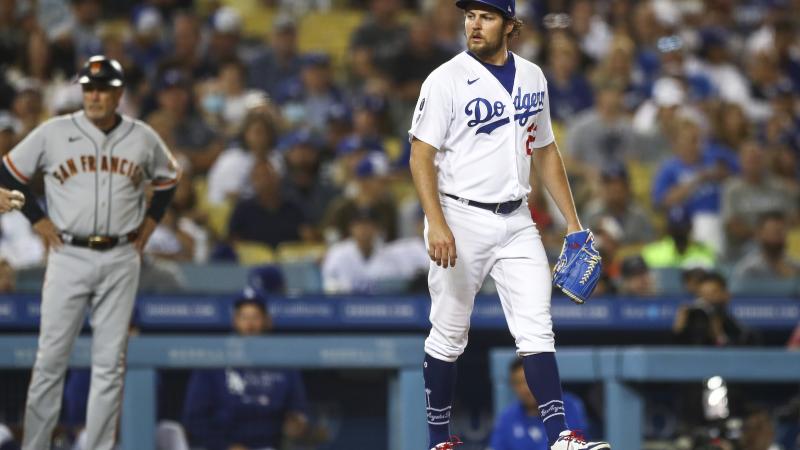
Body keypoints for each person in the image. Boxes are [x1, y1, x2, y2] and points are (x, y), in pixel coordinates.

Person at [407, 1, 610, 449]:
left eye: (487, 16)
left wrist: (574, 225)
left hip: (516, 218)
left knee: (537, 327)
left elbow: (546, 151)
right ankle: (438, 440)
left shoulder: (534, 77)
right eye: (470, 15)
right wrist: (436, 223)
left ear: (511, 26)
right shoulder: (445, 79)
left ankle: (560, 435)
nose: (474, 24)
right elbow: (420, 154)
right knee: (449, 332)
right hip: (458, 215)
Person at [0, 55, 180, 450]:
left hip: (120, 256)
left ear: (118, 93)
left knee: (109, 366)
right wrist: (36, 218)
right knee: (50, 361)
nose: (94, 95)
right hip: (68, 251)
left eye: (102, 89)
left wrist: (149, 225)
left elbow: (169, 180)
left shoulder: (143, 137)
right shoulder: (53, 133)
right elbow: (7, 172)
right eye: (88, 88)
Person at [182, 289, 311, 450]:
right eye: (244, 317)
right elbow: (194, 419)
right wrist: (225, 446)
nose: (249, 325)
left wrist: (296, 424)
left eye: (255, 317)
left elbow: (298, 410)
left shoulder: (283, 362)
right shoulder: (214, 360)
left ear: (267, 321)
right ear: (234, 321)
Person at [489, 359, 591, 450]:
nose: (526, 389)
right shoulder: (507, 417)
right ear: (513, 386)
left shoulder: (569, 406)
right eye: (519, 383)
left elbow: (574, 444)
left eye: (530, 381)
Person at [672, 272, 758, 346]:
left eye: (713, 294)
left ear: (726, 295)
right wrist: (678, 330)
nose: (707, 300)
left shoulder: (741, 333)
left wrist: (719, 336)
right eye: (702, 295)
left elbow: (738, 355)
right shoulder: (692, 323)